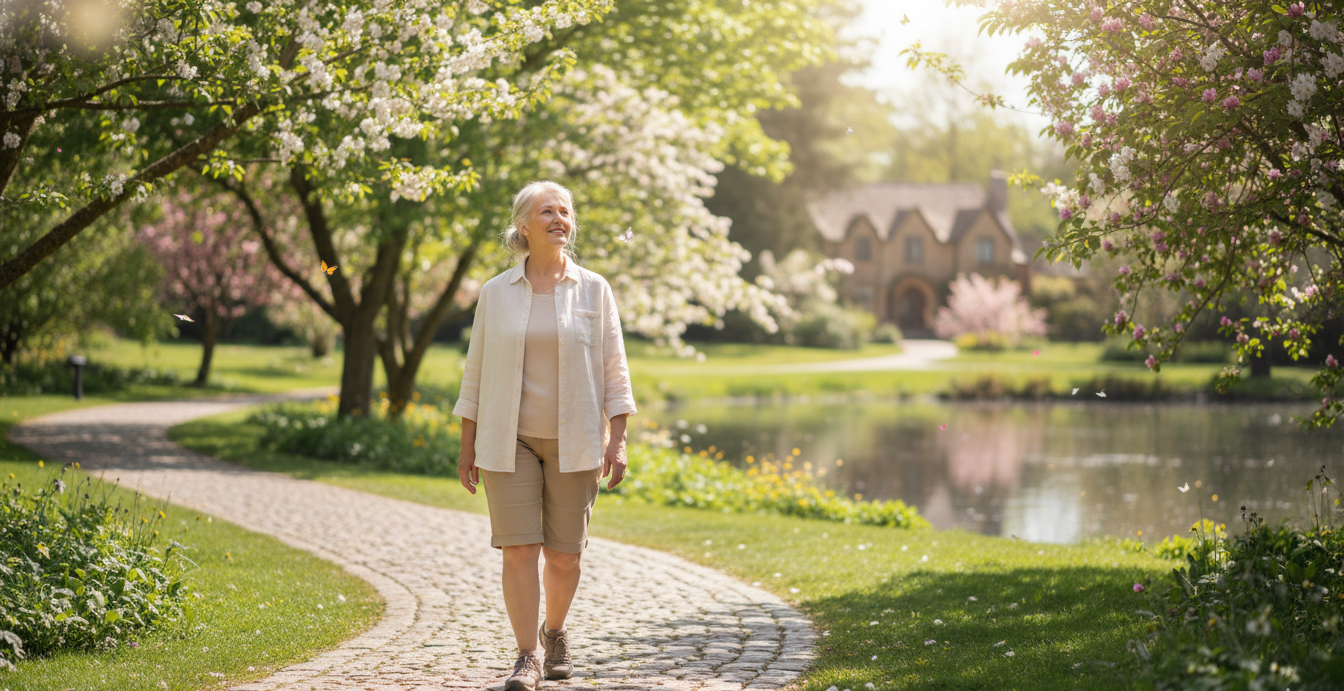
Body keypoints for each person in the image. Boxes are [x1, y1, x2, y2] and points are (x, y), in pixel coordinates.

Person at [453, 180, 637, 691]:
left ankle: (554, 632)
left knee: (564, 554)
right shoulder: (495, 293)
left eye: (565, 211)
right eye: (547, 211)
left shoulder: (594, 289)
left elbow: (614, 371)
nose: (560, 219)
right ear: (523, 226)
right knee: (518, 549)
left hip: (575, 437)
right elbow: (476, 372)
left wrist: (617, 439)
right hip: (507, 438)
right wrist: (467, 446)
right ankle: (527, 657)